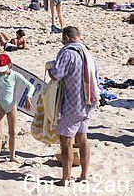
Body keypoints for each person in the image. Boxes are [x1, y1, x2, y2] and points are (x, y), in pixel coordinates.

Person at [47, 26, 99, 186]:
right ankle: (84, 176)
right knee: (83, 139)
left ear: (67, 37)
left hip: (72, 103)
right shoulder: (88, 54)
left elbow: (56, 74)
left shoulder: (67, 52)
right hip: (89, 102)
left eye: (63, 39)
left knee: (66, 142)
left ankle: (66, 179)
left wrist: (50, 68)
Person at [0, 53, 34, 164]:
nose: (1, 71)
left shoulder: (15, 75)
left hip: (12, 107)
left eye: (3, 69)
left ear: (10, 66)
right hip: (0, 106)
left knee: (12, 133)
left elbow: (30, 86)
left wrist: (28, 96)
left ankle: (12, 156)